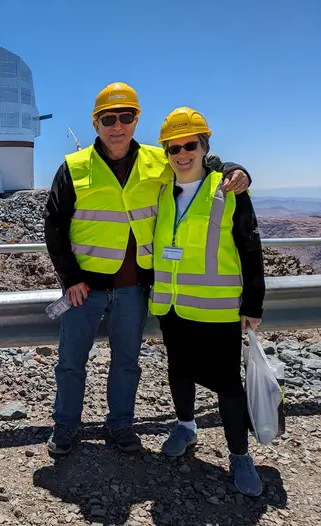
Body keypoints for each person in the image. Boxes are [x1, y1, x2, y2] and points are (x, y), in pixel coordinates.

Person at [43, 82, 251, 456]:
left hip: (134, 288)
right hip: (84, 288)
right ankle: (66, 426)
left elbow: (200, 163)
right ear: (96, 123)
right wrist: (69, 278)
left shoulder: (160, 160)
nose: (117, 125)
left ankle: (121, 425)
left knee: (127, 363)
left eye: (126, 116)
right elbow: (53, 224)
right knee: (71, 362)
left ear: (136, 120)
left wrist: (236, 169)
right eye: (109, 118)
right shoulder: (73, 167)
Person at [149, 107, 265, 496]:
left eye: (190, 145)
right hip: (173, 307)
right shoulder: (162, 189)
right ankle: (186, 427)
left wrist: (253, 304)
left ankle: (240, 456)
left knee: (227, 385)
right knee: (179, 373)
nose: (181, 154)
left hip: (217, 309)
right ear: (165, 151)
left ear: (204, 147)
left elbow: (250, 246)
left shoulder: (229, 188)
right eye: (173, 147)